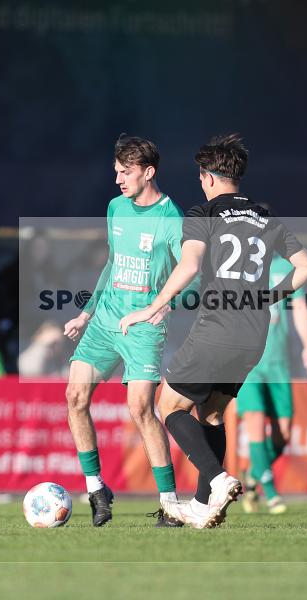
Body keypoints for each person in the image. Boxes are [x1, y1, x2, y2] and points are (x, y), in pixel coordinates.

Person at [119, 134, 307, 529]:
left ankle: (219, 478)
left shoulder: (202, 212)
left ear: (208, 177)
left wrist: (152, 307)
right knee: (210, 413)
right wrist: (266, 297)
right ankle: (202, 503)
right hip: (254, 335)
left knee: (169, 407)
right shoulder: (266, 217)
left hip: (217, 327)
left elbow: (190, 266)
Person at [62, 135, 192, 527]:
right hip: (104, 321)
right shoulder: (116, 207)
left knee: (139, 409)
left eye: (126, 172)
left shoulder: (172, 220)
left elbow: (192, 277)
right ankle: (96, 488)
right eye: (116, 171)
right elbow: (113, 264)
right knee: (75, 396)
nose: (118, 178)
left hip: (144, 328)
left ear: (148, 172)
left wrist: (164, 305)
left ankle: (169, 504)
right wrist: (87, 313)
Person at [238, 253, 307, 515]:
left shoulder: (286, 268)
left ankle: (252, 475)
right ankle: (271, 493)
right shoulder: (237, 267)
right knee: (255, 422)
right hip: (248, 363)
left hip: (278, 364)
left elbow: (300, 307)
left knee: (283, 435)